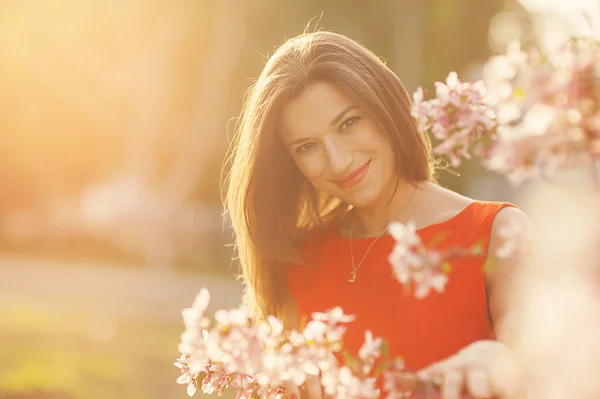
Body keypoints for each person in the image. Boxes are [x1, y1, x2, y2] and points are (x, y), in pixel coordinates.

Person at [223, 30, 528, 399]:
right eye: (307, 146)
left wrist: (498, 359)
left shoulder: (498, 233)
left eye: (348, 122)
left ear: (386, 106)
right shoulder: (298, 258)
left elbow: (542, 365)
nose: (338, 160)